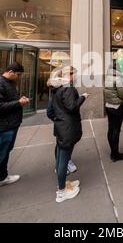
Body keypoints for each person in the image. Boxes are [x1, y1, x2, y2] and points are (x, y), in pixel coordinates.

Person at [0, 62, 30, 211]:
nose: (19, 77)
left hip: (10, 125)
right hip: (1, 128)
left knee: (5, 153)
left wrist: (18, 100)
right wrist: (18, 103)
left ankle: (2, 176)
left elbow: (7, 101)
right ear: (10, 71)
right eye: (18, 74)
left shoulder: (8, 83)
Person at [51, 66, 88, 203]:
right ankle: (61, 192)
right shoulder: (68, 89)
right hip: (68, 128)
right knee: (63, 160)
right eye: (75, 74)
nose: (76, 77)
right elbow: (72, 107)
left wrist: (58, 120)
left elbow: (51, 110)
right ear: (70, 75)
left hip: (61, 127)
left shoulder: (57, 88)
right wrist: (83, 97)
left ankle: (63, 184)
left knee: (61, 158)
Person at [47, 77, 78, 175]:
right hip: (63, 126)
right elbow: (50, 112)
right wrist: (58, 120)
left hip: (67, 125)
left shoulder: (65, 90)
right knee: (61, 148)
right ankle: (60, 167)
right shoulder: (57, 92)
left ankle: (65, 162)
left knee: (67, 146)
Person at [104, 63, 123, 162]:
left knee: (110, 129)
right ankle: (115, 154)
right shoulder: (118, 79)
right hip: (116, 107)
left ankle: (112, 152)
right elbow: (122, 95)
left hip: (108, 106)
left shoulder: (107, 78)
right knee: (116, 131)